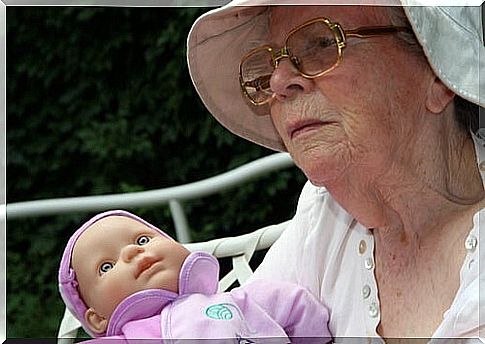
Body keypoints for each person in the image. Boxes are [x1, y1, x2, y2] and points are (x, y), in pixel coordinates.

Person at [187, 0, 485, 340]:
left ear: (437, 75)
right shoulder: (323, 218)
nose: (279, 80)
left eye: (322, 44)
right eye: (267, 67)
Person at [58, 209, 332, 343]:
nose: (131, 252)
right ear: (97, 317)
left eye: (142, 240)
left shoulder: (242, 300)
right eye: (106, 266)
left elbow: (297, 306)